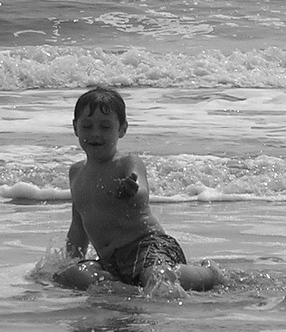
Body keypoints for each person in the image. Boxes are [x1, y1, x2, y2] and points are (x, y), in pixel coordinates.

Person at [53, 86, 222, 292]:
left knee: (157, 278)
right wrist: (71, 262)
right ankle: (127, 290)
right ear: (75, 128)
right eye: (87, 126)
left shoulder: (127, 162)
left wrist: (131, 190)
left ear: (122, 129)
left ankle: (208, 274)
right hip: (110, 260)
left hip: (148, 246)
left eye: (105, 127)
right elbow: (79, 227)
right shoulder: (76, 173)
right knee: (69, 276)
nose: (95, 134)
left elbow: (141, 193)